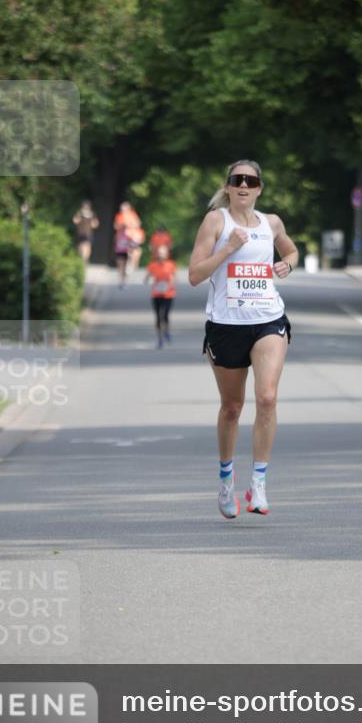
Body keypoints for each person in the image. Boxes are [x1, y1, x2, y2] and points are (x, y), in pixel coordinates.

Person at [188, 160, 298, 520]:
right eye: (238, 180)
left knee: (267, 397)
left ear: (259, 188)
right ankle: (225, 478)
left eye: (251, 181)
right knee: (232, 407)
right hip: (225, 324)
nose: (244, 186)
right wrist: (228, 249)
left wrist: (288, 264)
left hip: (267, 319)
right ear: (228, 186)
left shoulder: (272, 223)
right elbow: (193, 275)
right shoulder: (216, 222)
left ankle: (259, 484)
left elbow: (291, 250)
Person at [144, 244, 177, 348]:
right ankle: (160, 339)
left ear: (166, 254)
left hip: (168, 295)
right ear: (156, 254)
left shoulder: (171, 265)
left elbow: (174, 278)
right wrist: (150, 281)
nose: (161, 255)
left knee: (165, 315)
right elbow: (146, 278)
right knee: (158, 317)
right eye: (159, 253)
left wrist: (170, 284)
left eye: (163, 253)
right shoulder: (152, 265)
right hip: (156, 295)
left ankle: (166, 331)